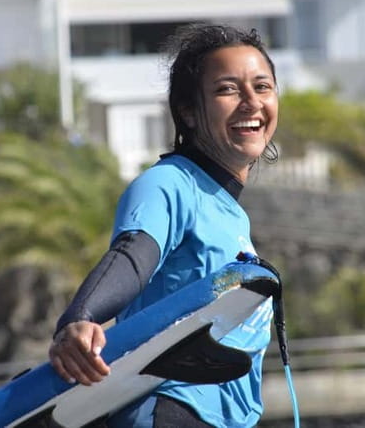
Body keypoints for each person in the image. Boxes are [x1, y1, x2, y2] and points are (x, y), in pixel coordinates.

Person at [48, 23, 279, 428]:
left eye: (262, 87)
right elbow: (134, 255)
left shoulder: (229, 212)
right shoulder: (169, 183)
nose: (251, 103)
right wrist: (78, 319)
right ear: (188, 111)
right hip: (170, 409)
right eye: (227, 89)